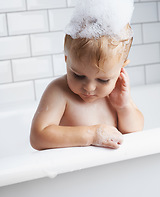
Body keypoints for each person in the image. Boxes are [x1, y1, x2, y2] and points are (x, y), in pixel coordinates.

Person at [30, 1, 144, 150]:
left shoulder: (115, 93)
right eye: (78, 75)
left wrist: (123, 107)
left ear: (121, 69)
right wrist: (91, 135)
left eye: (103, 80)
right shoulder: (59, 91)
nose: (89, 87)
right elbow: (38, 136)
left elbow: (135, 131)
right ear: (66, 59)